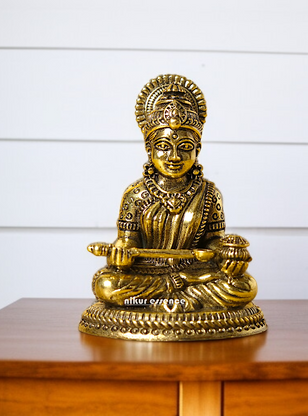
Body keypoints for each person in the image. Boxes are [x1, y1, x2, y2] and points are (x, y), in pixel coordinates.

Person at [90, 74, 257, 313]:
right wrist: (121, 252)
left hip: (194, 273)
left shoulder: (209, 193)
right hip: (147, 272)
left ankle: (159, 303)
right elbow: (127, 239)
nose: (175, 157)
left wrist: (229, 255)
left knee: (244, 286)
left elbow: (213, 241)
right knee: (107, 285)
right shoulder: (135, 194)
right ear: (149, 149)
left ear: (198, 149)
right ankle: (182, 301)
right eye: (164, 147)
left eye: (185, 147)